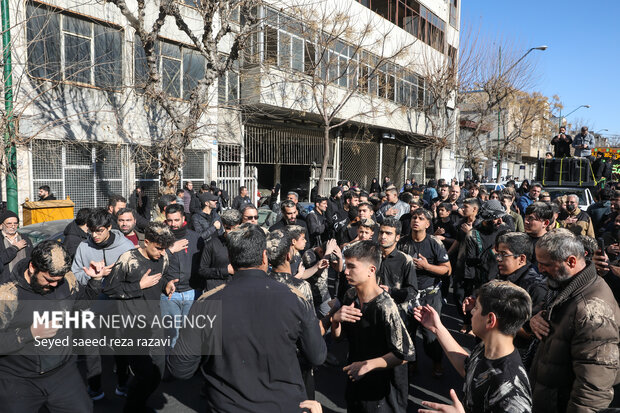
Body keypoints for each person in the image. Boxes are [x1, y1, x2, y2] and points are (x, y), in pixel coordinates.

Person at [168, 223, 327, 412]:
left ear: (230, 258)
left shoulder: (206, 303)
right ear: (264, 257)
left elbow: (180, 367)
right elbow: (317, 356)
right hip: (285, 404)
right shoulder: (296, 298)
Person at [0, 240, 106, 413]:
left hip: (63, 374)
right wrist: (30, 333)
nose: (55, 285)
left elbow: (80, 304)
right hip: (18, 380)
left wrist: (95, 281)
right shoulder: (7, 295)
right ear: (33, 267)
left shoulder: (65, 280)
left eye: (58, 280)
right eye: (49, 280)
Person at [529, 229, 620, 412]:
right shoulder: (567, 285)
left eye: (545, 264)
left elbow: (593, 388)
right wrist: (534, 319)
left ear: (571, 261)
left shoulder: (592, 312)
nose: (539, 269)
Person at [414, 280, 533, 413]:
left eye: (476, 307)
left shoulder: (511, 391)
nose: (472, 312)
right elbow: (469, 368)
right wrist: (437, 328)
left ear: (490, 320)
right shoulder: (488, 347)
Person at [333, 240, 415, 413]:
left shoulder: (386, 306)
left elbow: (405, 354)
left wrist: (369, 364)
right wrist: (336, 320)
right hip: (357, 383)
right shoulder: (350, 296)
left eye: (351, 266)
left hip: (383, 394)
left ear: (371, 270)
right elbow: (339, 337)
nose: (345, 271)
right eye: (345, 265)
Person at [103, 222, 177, 412]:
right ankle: (132, 408)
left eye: (164, 249)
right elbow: (109, 289)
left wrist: (167, 284)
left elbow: (160, 279)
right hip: (131, 326)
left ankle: (139, 402)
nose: (161, 253)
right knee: (144, 373)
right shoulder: (128, 258)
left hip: (154, 323)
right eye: (158, 248)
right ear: (147, 242)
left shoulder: (164, 257)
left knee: (158, 371)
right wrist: (138, 286)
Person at [70, 208, 135, 399]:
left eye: (99, 230)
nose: (95, 235)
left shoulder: (126, 247)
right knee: (91, 350)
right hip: (91, 305)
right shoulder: (84, 247)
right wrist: (92, 276)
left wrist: (113, 274)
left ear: (109, 227)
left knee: (121, 348)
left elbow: (134, 277)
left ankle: (122, 384)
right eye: (92, 231)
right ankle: (95, 387)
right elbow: (75, 275)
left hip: (118, 305)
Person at [397, 208, 451, 376]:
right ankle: (412, 361)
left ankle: (437, 361)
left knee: (430, 335)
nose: (416, 220)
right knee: (408, 331)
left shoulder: (435, 243)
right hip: (408, 295)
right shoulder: (402, 243)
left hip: (430, 295)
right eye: (414, 217)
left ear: (427, 224)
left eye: (421, 218)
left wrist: (426, 267)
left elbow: (447, 270)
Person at [266, 230, 316, 398]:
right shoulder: (301, 287)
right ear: (288, 255)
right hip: (295, 359)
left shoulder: (260, 283)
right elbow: (310, 326)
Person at [161, 204, 204, 347]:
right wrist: (170, 250)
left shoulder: (196, 238)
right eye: (169, 220)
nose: (173, 224)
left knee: (191, 334)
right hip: (169, 295)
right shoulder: (160, 239)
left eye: (176, 220)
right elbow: (154, 263)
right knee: (171, 336)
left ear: (183, 218)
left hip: (192, 292)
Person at [377, 218, 418, 323]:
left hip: (396, 312)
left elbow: (412, 291)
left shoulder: (405, 260)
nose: (383, 236)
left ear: (397, 237)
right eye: (381, 232)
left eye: (388, 233)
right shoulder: (370, 255)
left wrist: (391, 291)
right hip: (371, 309)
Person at [197, 209, 241, 291]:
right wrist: (225, 271)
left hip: (238, 290)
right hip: (216, 291)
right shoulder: (212, 244)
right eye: (228, 228)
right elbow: (202, 270)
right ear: (223, 225)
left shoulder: (245, 244)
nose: (230, 232)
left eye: (234, 229)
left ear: (239, 226)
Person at [0, 210, 33, 281]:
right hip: (5, 283)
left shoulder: (25, 239)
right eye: (9, 223)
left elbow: (31, 259)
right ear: (1, 225)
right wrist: (15, 248)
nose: (13, 226)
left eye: (15, 223)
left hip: (23, 281)